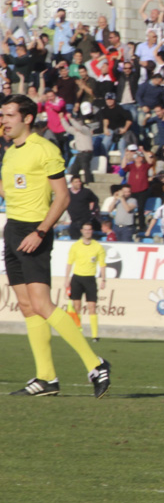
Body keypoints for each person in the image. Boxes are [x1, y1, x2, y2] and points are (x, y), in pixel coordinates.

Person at [1, 95, 111, 398]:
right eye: (2, 115)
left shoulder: (46, 150)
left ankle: (96, 363)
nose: (4, 120)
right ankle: (46, 378)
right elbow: (8, 191)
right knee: (26, 307)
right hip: (12, 229)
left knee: (41, 305)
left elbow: (62, 197)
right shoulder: (10, 152)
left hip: (34, 230)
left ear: (26, 118)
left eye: (9, 115)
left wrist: (40, 231)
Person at [65, 222, 107, 343]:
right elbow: (69, 263)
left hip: (90, 279)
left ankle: (95, 335)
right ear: (82, 231)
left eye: (90, 230)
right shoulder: (76, 246)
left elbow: (102, 265)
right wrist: (66, 279)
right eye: (85, 229)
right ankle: (78, 332)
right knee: (77, 306)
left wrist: (103, 279)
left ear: (92, 231)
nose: (87, 232)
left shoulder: (98, 247)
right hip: (77, 278)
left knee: (92, 307)